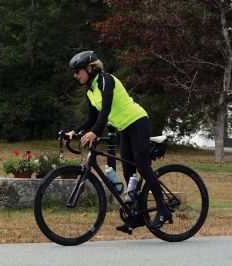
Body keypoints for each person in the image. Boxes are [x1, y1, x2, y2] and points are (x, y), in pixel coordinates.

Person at [66, 51, 171, 233]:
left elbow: (105, 110)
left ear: (90, 69)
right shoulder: (90, 90)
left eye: (77, 71)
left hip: (138, 122)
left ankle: (163, 210)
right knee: (129, 172)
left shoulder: (106, 80)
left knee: (142, 167)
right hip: (125, 129)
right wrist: (75, 131)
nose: (75, 75)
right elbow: (92, 118)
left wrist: (94, 133)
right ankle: (138, 215)